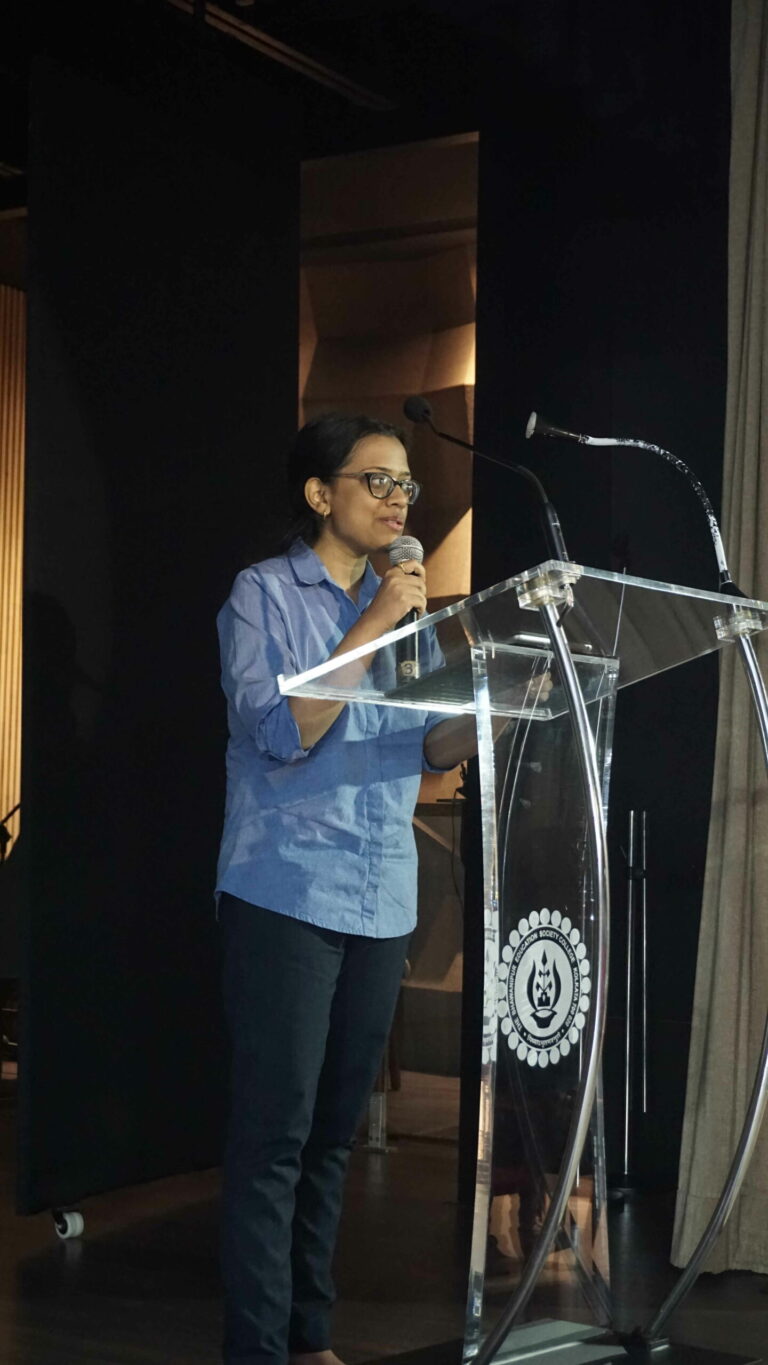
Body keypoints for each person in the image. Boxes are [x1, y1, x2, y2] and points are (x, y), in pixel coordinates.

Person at [215, 412, 470, 1365]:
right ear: (321, 493)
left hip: (379, 892)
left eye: (407, 484)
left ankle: (309, 1338)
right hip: (285, 889)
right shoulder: (263, 594)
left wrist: (495, 698)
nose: (399, 500)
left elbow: (429, 749)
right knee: (275, 1133)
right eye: (378, 481)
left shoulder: (409, 614)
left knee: (334, 1135)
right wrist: (374, 624)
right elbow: (285, 729)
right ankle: (257, 1348)